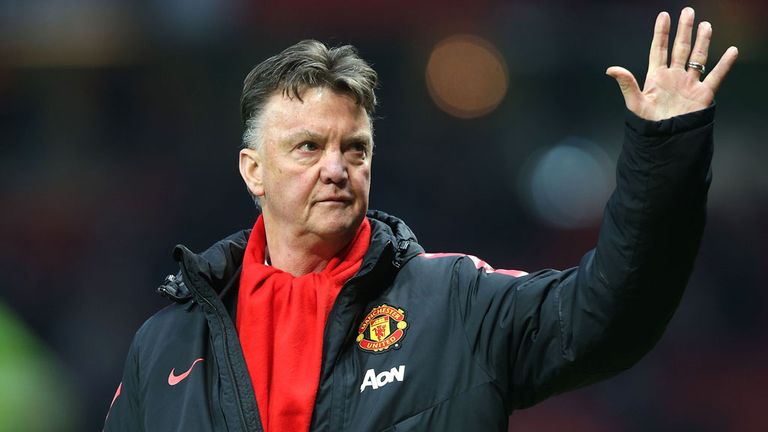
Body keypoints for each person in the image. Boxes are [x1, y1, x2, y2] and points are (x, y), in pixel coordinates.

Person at [104, 7, 737, 431]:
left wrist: (666, 147)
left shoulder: (456, 302)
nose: (336, 168)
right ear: (252, 171)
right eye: (307, 147)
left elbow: (613, 313)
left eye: (355, 149)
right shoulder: (167, 344)